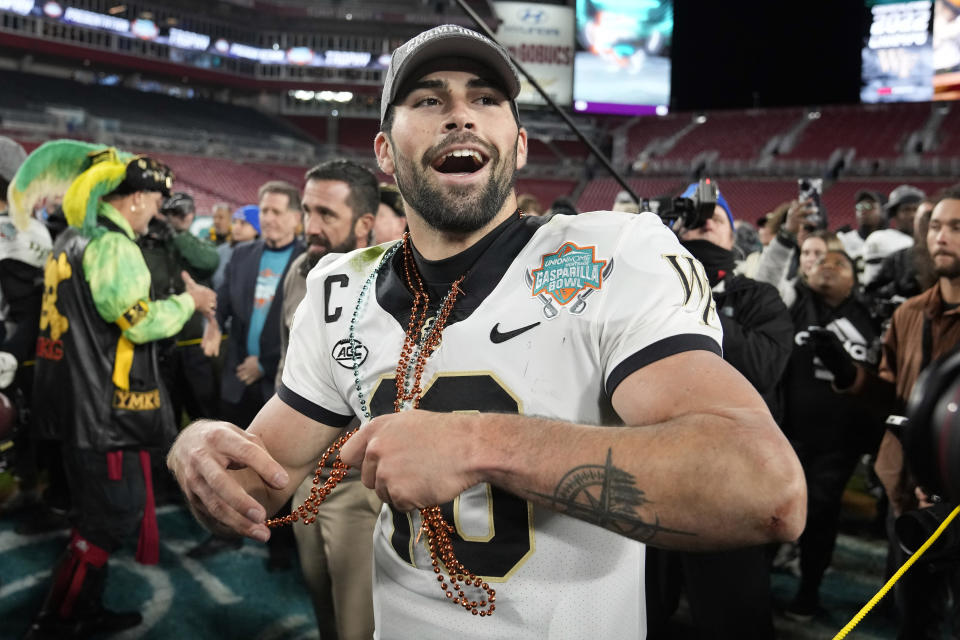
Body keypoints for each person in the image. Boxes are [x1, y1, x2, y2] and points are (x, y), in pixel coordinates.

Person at [167, 25, 805, 638]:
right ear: (385, 152)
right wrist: (202, 451)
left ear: (520, 144)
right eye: (428, 99)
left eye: (486, 98)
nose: (460, 115)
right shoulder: (341, 287)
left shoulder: (611, 256)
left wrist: (478, 443)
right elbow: (254, 482)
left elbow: (765, 488)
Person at [10, 140, 216, 639]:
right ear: (137, 198)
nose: (156, 211)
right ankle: (59, 619)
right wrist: (190, 303)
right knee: (110, 518)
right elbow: (137, 322)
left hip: (75, 402)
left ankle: (81, 609)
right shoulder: (112, 244)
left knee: (97, 514)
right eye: (154, 201)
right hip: (105, 411)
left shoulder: (71, 240)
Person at [647, 182, 794, 638]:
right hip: (652, 472)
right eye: (696, 215)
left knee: (731, 614)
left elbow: (762, 368)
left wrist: (696, 293)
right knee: (645, 611)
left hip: (729, 479)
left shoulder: (758, 297)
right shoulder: (649, 290)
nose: (707, 218)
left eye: (719, 216)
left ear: (734, 237)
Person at [818, 186, 960, 638]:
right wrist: (849, 374)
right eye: (936, 226)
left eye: (957, 227)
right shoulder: (909, 315)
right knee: (913, 617)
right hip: (906, 495)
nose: (942, 237)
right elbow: (891, 396)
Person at [277, 159, 380, 640]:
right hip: (304, 472)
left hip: (358, 482)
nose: (310, 226)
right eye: (306, 210)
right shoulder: (300, 270)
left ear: (364, 224)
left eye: (326, 215)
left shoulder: (392, 282)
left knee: (358, 625)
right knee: (322, 608)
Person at [778, 249, 882, 621]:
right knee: (770, 511)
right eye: (823, 261)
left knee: (822, 517)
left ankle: (808, 592)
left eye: (840, 264)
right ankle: (757, 585)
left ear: (855, 278)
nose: (829, 266)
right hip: (786, 436)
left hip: (839, 444)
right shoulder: (792, 304)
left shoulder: (869, 317)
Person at [0, 136, 54, 520]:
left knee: (25, 421)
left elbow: (34, 303)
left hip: (23, 346)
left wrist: (13, 350)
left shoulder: (25, 231)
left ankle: (37, 494)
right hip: (12, 339)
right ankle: (28, 487)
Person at [212, 204, 259, 291]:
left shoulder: (263, 254)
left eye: (243, 223)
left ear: (257, 228)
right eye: (234, 222)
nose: (236, 227)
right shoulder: (221, 251)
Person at [837, 189, 886, 264]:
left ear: (883, 211)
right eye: (860, 206)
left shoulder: (893, 240)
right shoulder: (844, 240)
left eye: (869, 206)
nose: (863, 210)